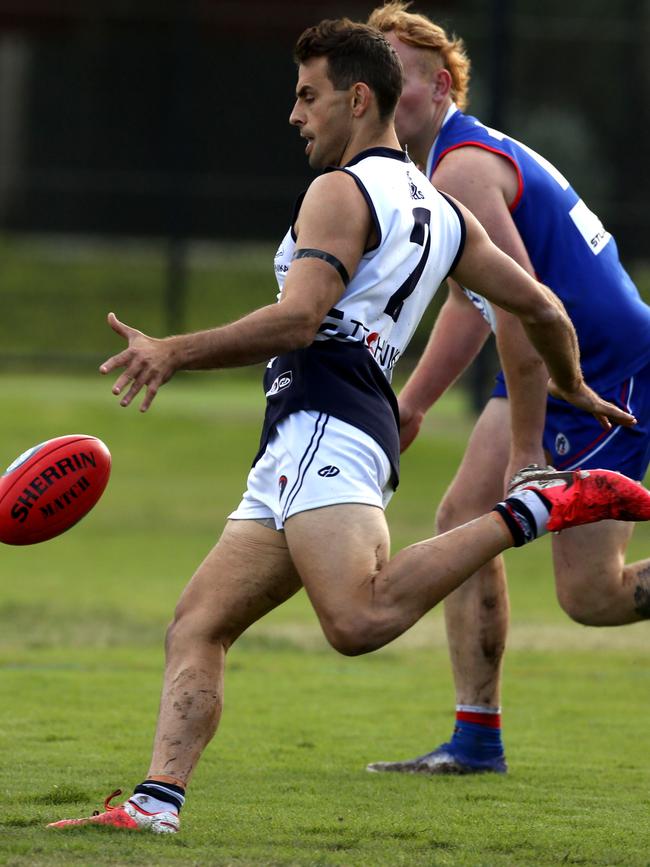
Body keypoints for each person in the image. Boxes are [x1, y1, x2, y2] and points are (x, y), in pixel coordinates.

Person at [47, 18, 649, 834]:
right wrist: (574, 380)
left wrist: (172, 351)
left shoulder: (341, 188)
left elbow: (299, 320)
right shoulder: (444, 209)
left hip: (327, 415)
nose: (295, 115)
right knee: (198, 620)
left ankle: (530, 512)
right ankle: (155, 803)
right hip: (315, 429)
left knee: (357, 619)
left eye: (307, 95)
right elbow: (539, 304)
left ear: (357, 99)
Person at [365, 1, 650, 777]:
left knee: (589, 596)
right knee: (462, 516)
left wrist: (527, 451)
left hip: (599, 370)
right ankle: (476, 738)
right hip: (560, 362)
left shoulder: (458, 169)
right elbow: (473, 298)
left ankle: (477, 738)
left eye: (401, 75)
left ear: (443, 84)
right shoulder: (442, 166)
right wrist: (415, 401)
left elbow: (522, 314)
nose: (386, 91)